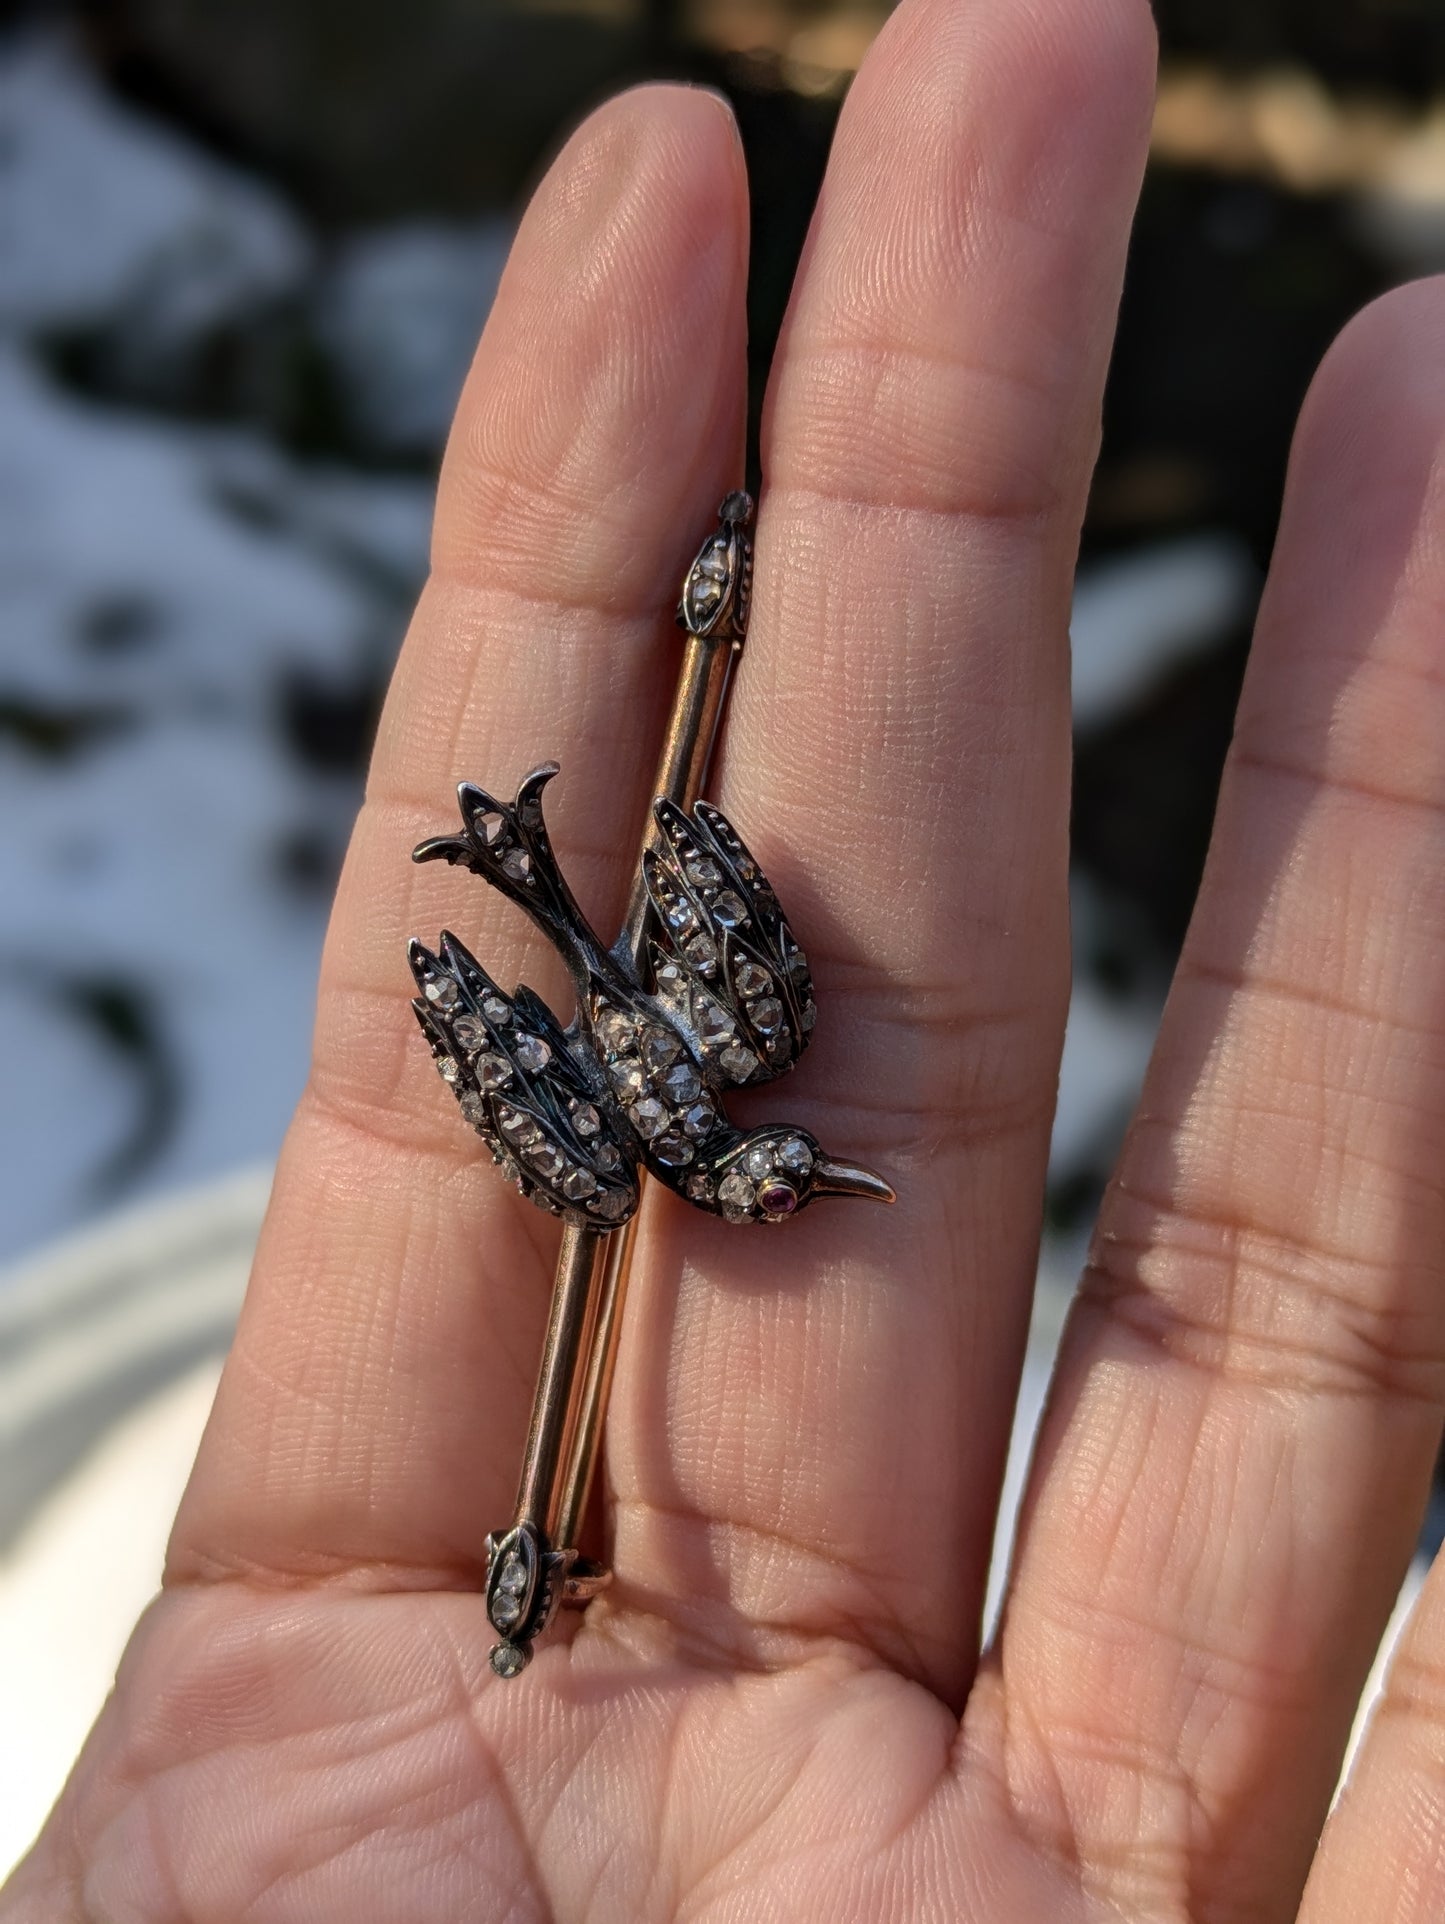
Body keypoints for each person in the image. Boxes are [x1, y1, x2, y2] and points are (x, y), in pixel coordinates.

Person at [6, 0, 1445, 1915]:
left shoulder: (685, 1089)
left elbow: (659, 1015)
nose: (779, 1183)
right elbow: (647, 1014)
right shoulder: (682, 1079)